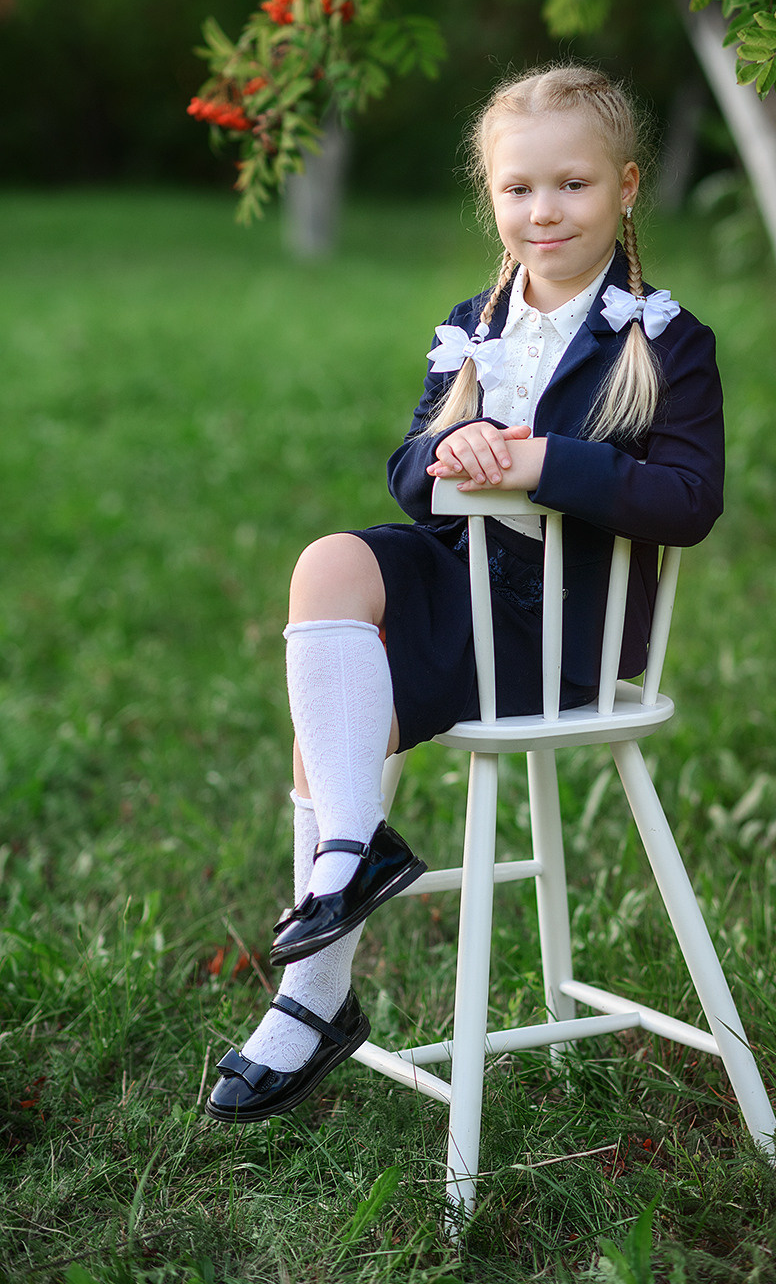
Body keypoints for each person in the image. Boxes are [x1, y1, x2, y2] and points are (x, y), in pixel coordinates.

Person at [205, 63, 725, 1124]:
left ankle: (312, 997)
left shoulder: (665, 339)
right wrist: (456, 442)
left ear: (625, 188)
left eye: (572, 185)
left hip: (558, 633)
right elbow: (408, 474)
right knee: (327, 568)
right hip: (465, 589)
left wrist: (542, 463)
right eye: (518, 188)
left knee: (330, 726)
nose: (544, 211)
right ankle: (352, 854)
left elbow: (686, 501)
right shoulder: (471, 324)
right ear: (491, 196)